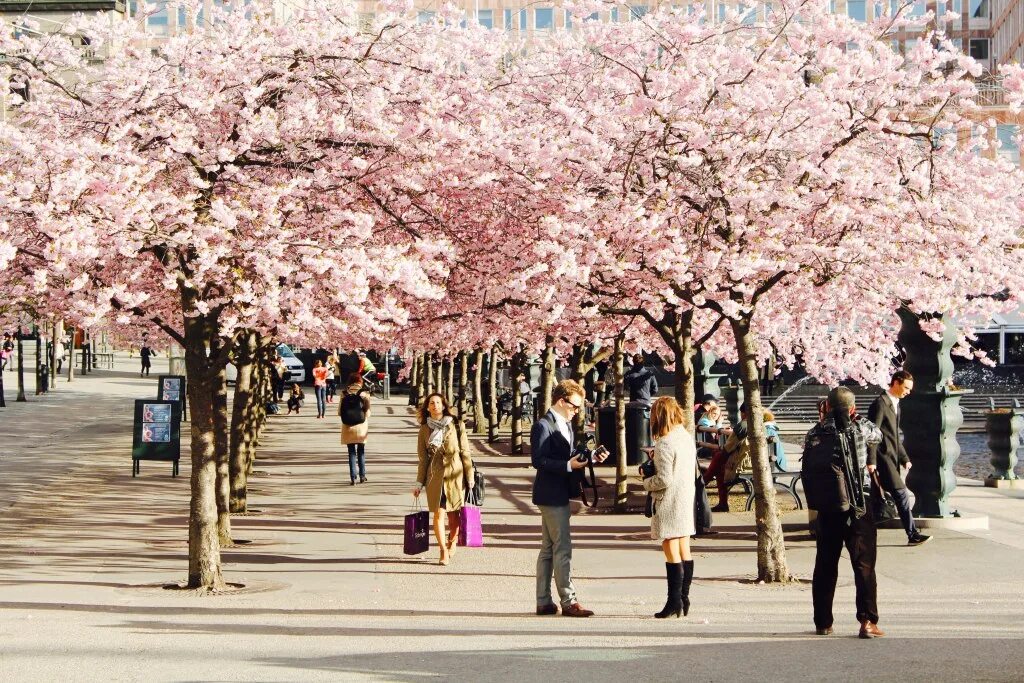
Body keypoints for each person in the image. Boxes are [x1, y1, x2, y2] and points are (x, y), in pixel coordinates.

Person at [803, 387, 884, 639]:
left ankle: (823, 621)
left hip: (828, 506)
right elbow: (878, 435)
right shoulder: (859, 428)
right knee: (864, 564)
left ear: (826, 407)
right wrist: (855, 417)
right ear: (852, 408)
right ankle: (867, 620)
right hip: (858, 505)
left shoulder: (815, 432)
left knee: (825, 564)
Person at [531, 379, 608, 617]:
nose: (577, 411)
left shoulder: (565, 424)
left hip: (557, 491)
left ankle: (544, 600)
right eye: (575, 406)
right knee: (562, 547)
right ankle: (569, 600)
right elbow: (538, 460)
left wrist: (590, 458)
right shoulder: (544, 425)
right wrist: (567, 465)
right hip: (551, 493)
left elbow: (570, 455)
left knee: (548, 548)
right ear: (561, 401)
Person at [641, 397, 698, 619]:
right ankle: (684, 598)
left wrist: (645, 481)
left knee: (669, 544)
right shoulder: (685, 437)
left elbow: (663, 478)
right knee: (684, 546)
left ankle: (674, 601)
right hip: (684, 498)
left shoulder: (664, 442)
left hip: (669, 500)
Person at [868, 370, 930, 546]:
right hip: (883, 458)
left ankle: (855, 531)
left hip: (892, 458)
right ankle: (912, 534)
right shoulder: (880, 404)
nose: (908, 392)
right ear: (895, 382)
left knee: (882, 499)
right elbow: (873, 434)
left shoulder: (895, 404)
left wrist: (904, 457)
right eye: (906, 387)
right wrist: (871, 461)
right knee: (901, 494)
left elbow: (893, 435)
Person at [413, 392, 474, 565]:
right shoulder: (424, 430)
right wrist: (419, 483)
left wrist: (469, 476)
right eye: (431, 403)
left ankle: (452, 541)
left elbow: (465, 451)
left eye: (438, 402)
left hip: (455, 474)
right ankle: (442, 550)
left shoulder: (456, 425)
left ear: (444, 405)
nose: (435, 406)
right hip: (435, 476)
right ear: (427, 407)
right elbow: (423, 459)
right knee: (438, 514)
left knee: (454, 515)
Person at [701, 403, 751, 512]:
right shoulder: (759, 424)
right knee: (719, 462)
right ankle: (707, 482)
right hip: (751, 460)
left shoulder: (742, 426)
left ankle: (705, 480)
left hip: (742, 462)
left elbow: (728, 448)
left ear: (743, 413)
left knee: (719, 456)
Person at [340, 373, 371, 485]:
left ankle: (353, 477)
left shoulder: (344, 393)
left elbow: (339, 412)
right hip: (361, 426)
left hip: (348, 426)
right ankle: (362, 476)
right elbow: (368, 412)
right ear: (360, 381)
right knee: (361, 452)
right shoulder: (364, 393)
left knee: (351, 452)